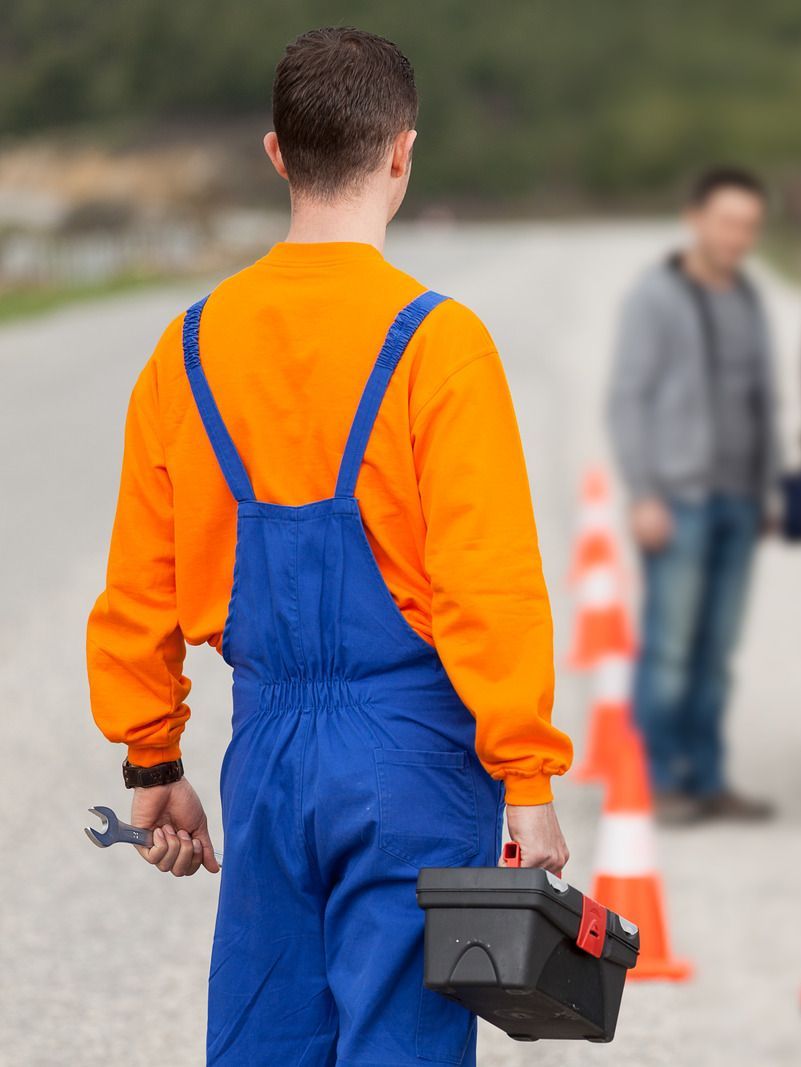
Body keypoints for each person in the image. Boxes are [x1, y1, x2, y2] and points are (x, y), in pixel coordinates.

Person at [84, 28, 571, 1064]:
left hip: (266, 754)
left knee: (267, 1032)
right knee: (401, 1037)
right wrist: (525, 776)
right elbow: (488, 580)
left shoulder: (186, 347)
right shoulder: (438, 344)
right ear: (402, 152)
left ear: (275, 155)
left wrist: (152, 755)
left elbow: (139, 581)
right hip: (412, 754)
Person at [606, 166, 780, 824]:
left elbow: (764, 398)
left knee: (717, 653)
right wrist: (643, 492)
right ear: (696, 218)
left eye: (750, 226)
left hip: (739, 497)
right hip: (678, 499)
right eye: (729, 221)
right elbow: (628, 399)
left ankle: (708, 777)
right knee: (672, 648)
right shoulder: (655, 296)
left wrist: (767, 489)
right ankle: (657, 778)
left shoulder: (749, 296)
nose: (739, 236)